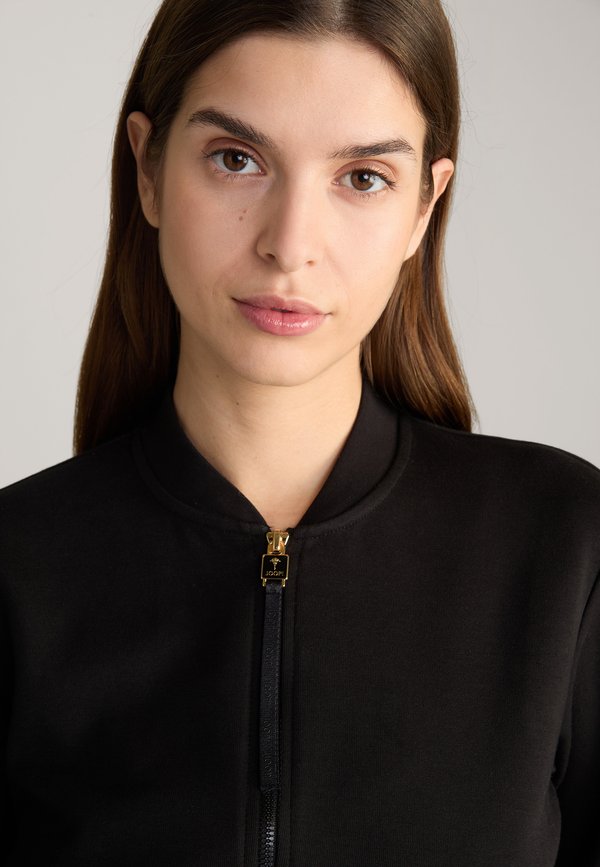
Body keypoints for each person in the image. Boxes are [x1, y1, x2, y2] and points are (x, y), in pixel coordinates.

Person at [1, 0, 599, 864]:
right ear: (148, 169)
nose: (290, 245)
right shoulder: (18, 569)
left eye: (363, 177)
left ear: (424, 207)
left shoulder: (565, 547)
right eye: (236, 159)